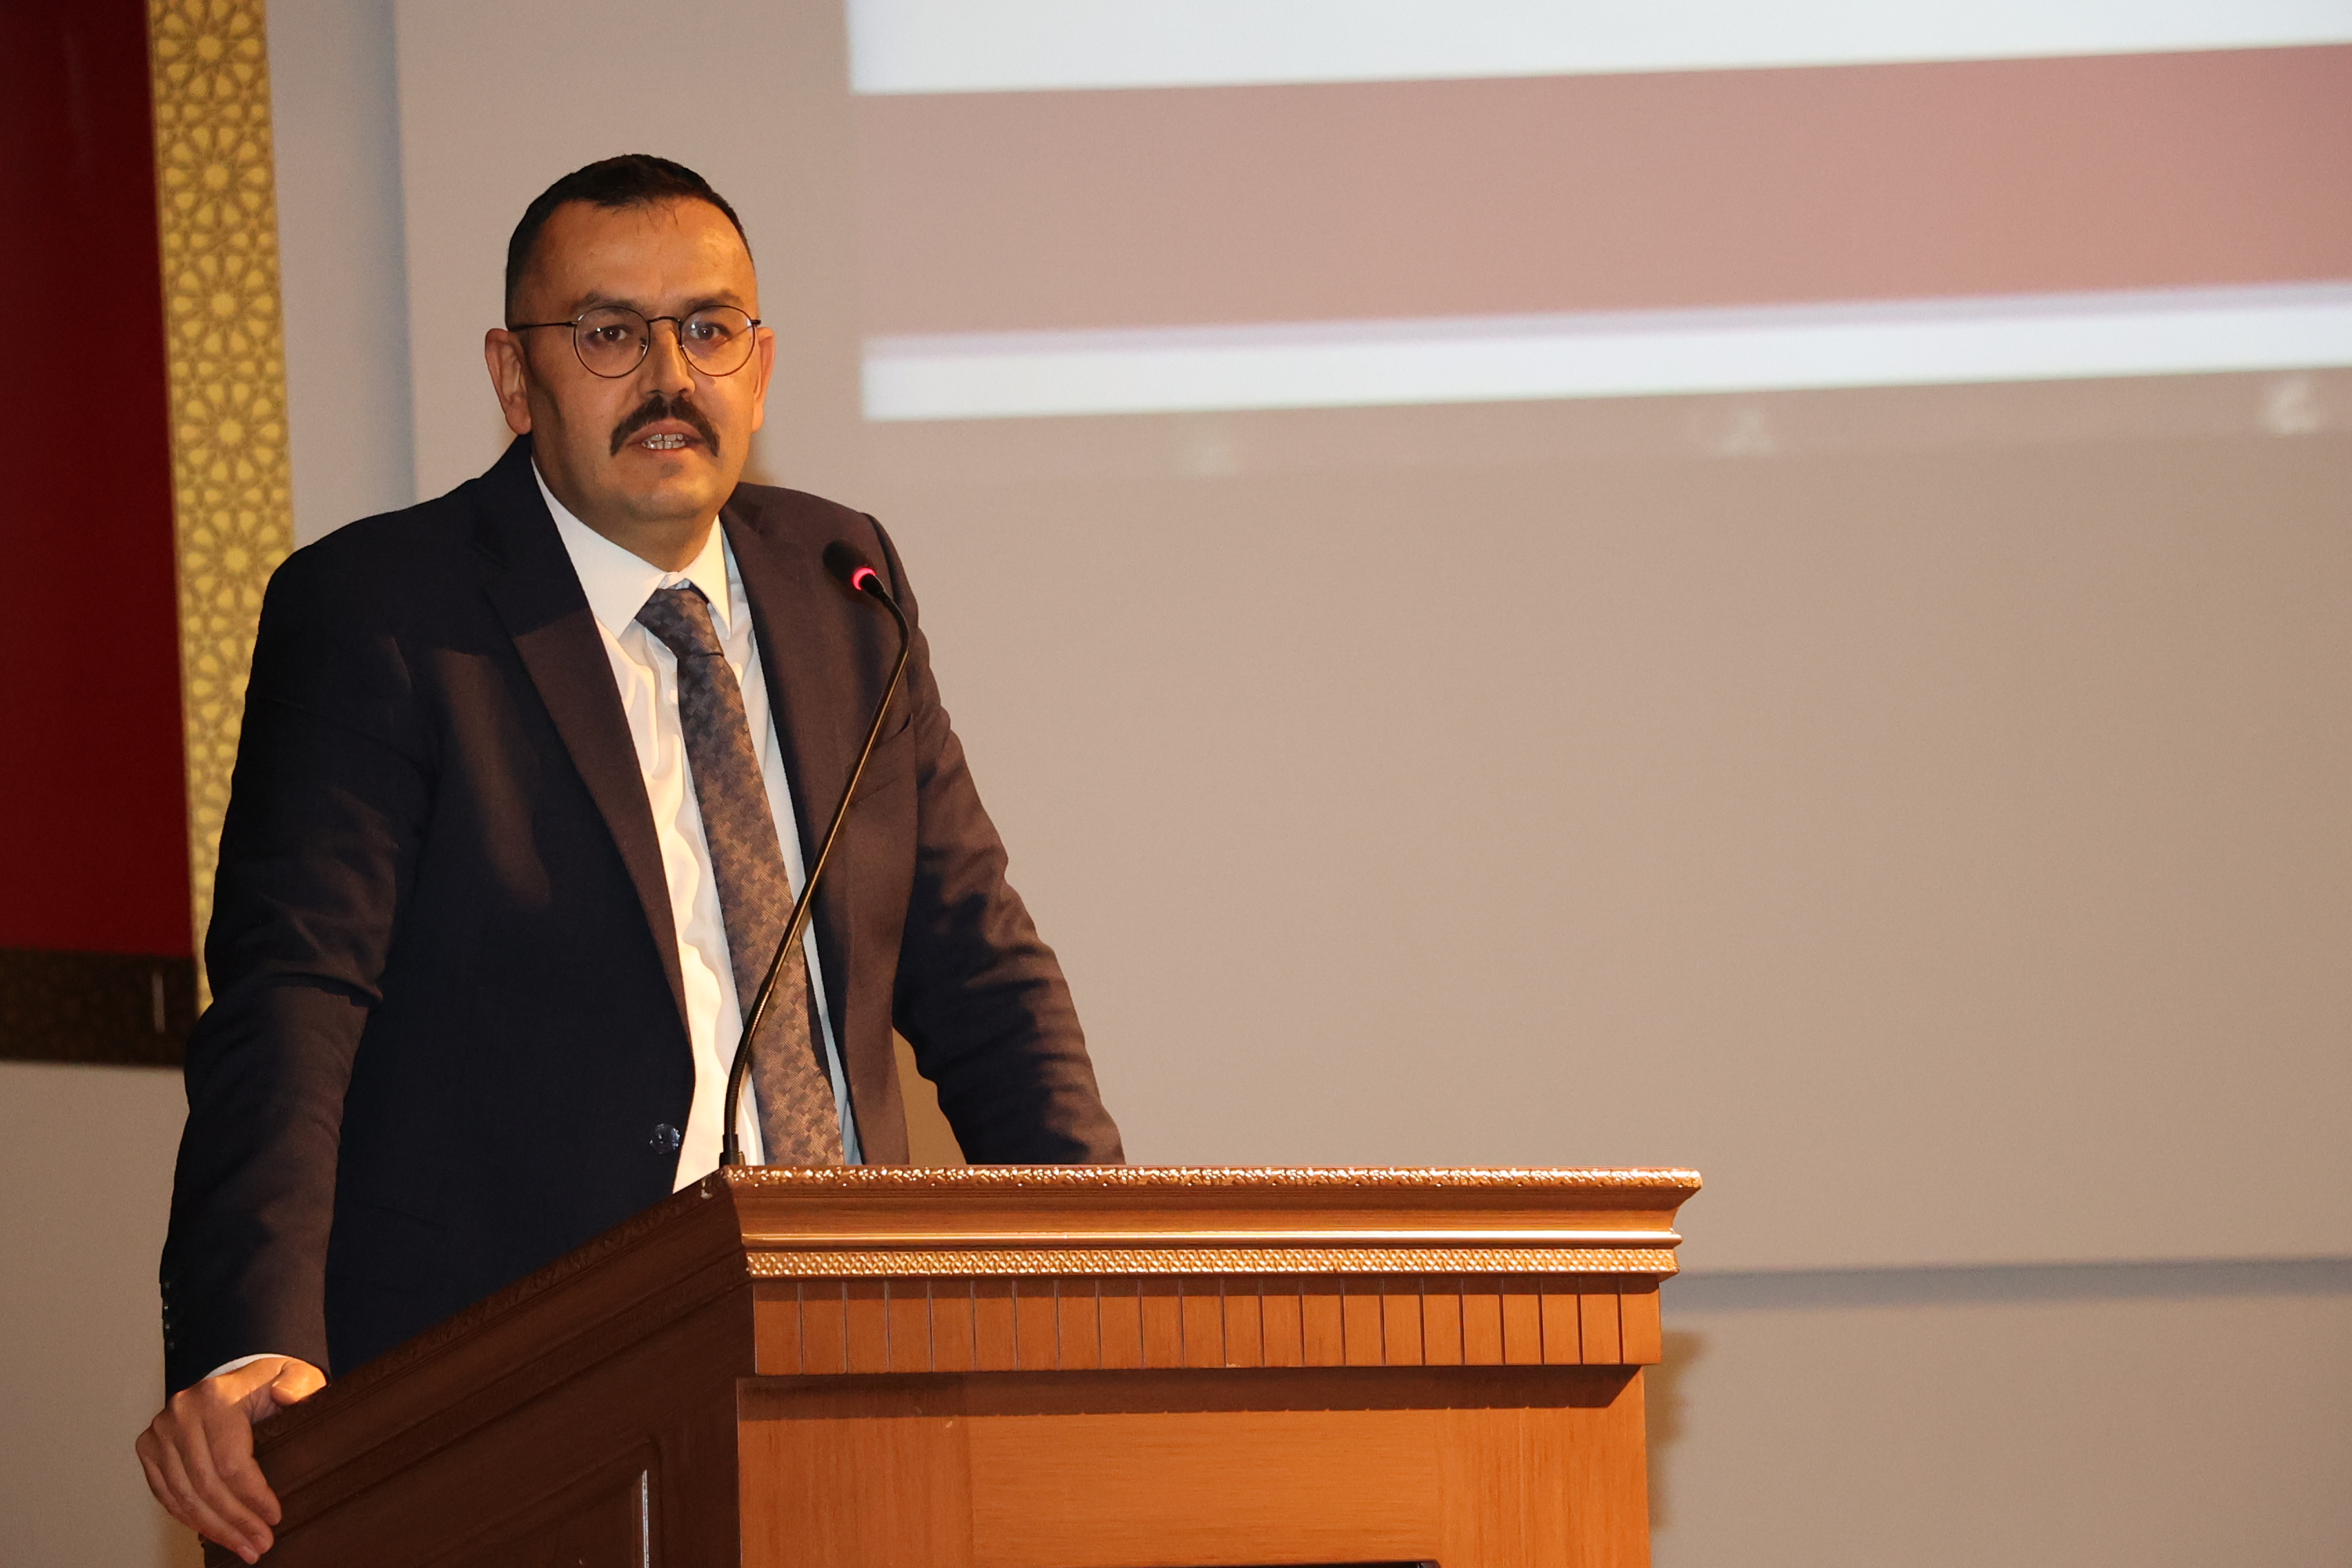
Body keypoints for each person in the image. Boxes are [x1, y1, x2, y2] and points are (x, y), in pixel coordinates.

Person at [134, 154, 1121, 1561]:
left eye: (709, 329)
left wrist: (1104, 1262)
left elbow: (982, 970)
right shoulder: (381, 612)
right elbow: (293, 1000)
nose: (670, 376)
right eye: (609, 332)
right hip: (523, 1383)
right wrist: (251, 1340)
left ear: (761, 367)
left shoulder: (846, 580)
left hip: (856, 1364)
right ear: (513, 375)